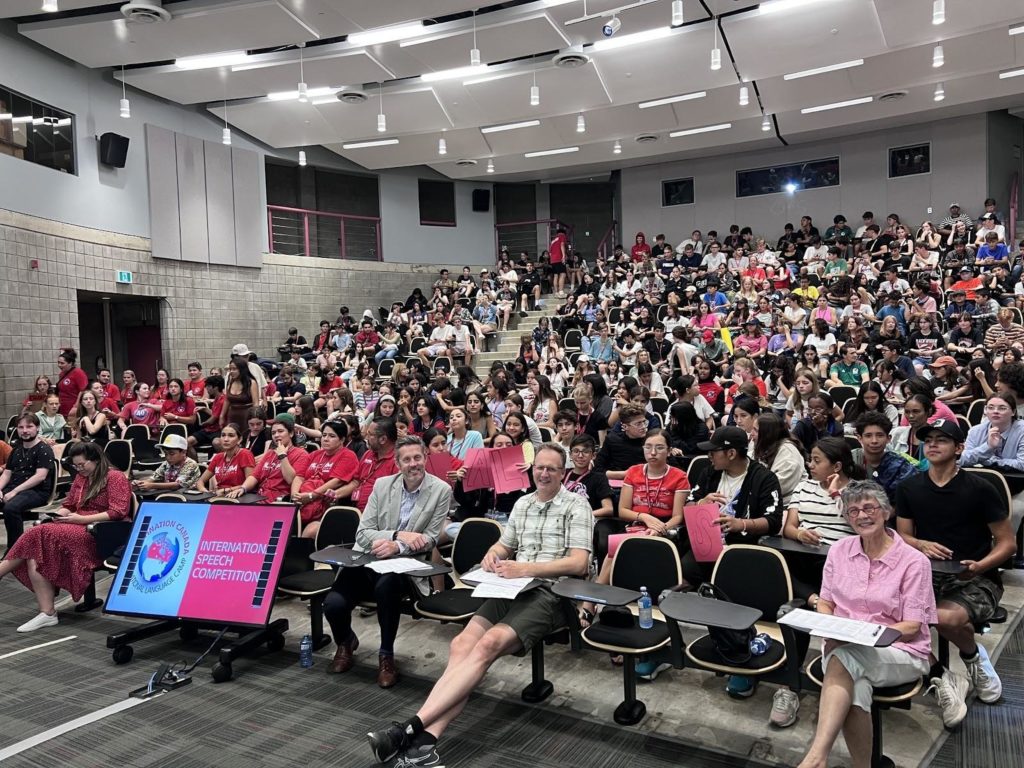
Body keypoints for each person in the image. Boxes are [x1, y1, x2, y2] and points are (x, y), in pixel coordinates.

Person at [365, 442, 592, 766]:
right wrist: (494, 554)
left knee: (488, 644)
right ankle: (424, 744)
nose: (544, 473)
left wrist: (526, 568)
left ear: (562, 473)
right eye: (539, 467)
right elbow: (506, 544)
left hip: (552, 593)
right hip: (512, 586)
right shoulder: (524, 504)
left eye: (551, 469)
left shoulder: (575, 505)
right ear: (532, 470)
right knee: (461, 645)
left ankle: (409, 727)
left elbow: (578, 563)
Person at [796, 481, 936, 768]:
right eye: (853, 510)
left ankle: (815, 757)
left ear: (885, 512)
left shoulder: (914, 562)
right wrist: (831, 626)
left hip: (901, 651)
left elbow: (911, 627)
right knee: (855, 688)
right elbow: (825, 602)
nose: (862, 515)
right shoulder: (839, 551)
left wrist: (864, 637)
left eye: (869, 507)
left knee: (844, 658)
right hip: (842, 644)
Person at [895, 419, 1015, 728]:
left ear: (959, 448)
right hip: (925, 576)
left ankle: (970, 660)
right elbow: (903, 536)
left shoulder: (980, 489)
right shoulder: (910, 487)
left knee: (941, 618)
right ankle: (967, 661)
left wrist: (980, 566)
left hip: (975, 577)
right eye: (928, 439)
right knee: (893, 615)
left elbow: (1007, 543)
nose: (932, 444)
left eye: (942, 440)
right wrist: (919, 543)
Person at [325, 435, 451, 689]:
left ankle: (386, 656)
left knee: (387, 588)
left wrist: (398, 546)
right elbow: (363, 533)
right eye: (407, 460)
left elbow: (429, 539)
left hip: (405, 565)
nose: (413, 464)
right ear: (397, 463)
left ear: (425, 458)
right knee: (333, 604)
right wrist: (395, 535)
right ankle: (346, 641)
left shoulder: (441, 490)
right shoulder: (383, 486)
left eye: (418, 457)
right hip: (369, 558)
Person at [0, 441, 131, 632]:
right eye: (76, 466)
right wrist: (60, 513)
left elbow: (118, 512)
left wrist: (81, 519)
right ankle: (47, 613)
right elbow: (69, 505)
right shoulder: (81, 477)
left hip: (101, 531)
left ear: (95, 460)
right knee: (35, 548)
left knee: (38, 532)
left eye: (82, 465)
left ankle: (2, 570)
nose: (79, 469)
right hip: (76, 525)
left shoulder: (115, 477)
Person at [293, 420, 359, 538]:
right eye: (324, 435)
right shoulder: (315, 454)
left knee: (310, 532)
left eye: (332, 436)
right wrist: (295, 496)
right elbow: (299, 476)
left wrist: (311, 496)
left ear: (342, 439)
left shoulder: (348, 455)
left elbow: (336, 481)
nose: (326, 439)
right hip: (303, 504)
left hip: (326, 507)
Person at [0, 414, 56, 549]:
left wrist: (14, 491)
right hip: (14, 488)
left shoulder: (44, 449)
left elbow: (40, 476)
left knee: (11, 508)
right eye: (21, 427)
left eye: (29, 426)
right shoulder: (16, 450)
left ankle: (15, 551)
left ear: (37, 428)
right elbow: (7, 474)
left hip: (37, 491)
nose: (24, 430)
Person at [230, 414, 310, 503]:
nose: (276, 435)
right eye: (273, 433)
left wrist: (282, 456)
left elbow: (291, 480)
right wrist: (243, 488)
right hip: (259, 497)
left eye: (280, 431)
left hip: (278, 500)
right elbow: (255, 476)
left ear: (291, 433)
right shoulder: (270, 453)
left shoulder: (301, 454)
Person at [850, 412, 918, 503]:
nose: (874, 441)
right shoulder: (849, 460)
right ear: (859, 438)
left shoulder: (901, 467)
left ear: (888, 438)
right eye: (868, 436)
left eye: (880, 435)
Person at [337, 417, 400, 513]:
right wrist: (336, 494)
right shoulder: (368, 454)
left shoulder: (398, 461)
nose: (366, 437)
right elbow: (356, 482)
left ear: (383, 439)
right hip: (355, 509)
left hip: (377, 514)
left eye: (370, 434)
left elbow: (394, 496)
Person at [751, 413, 808, 506]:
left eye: (756, 430)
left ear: (767, 434)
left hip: (788, 505)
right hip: (767, 501)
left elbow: (776, 487)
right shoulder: (764, 445)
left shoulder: (788, 452)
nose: (751, 433)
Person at [960, 392, 1024, 472]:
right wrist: (988, 447)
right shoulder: (975, 431)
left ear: (1013, 412)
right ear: (985, 410)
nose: (995, 411)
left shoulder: (1022, 430)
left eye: (1002, 408)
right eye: (990, 407)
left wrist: (991, 461)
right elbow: (961, 460)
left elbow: (1022, 464)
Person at [196, 423, 255, 495]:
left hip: (239, 496)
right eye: (223, 435)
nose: (226, 439)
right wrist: (205, 492)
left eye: (231, 436)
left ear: (239, 439)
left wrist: (226, 490)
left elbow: (251, 484)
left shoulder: (245, 454)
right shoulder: (218, 457)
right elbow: (200, 481)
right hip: (218, 496)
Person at [133, 434, 201, 494]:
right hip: (170, 494)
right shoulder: (166, 464)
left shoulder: (191, 464)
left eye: (172, 454)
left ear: (183, 452)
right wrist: (141, 483)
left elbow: (177, 485)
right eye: (166, 454)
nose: (168, 457)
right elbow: (153, 478)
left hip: (187, 497)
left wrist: (151, 485)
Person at [55, 348, 89, 418]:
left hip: (73, 408)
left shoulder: (78, 373)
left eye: (62, 363)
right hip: (62, 407)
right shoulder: (62, 374)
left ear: (70, 363)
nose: (59, 365)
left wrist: (76, 407)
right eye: (58, 362)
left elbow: (83, 390)